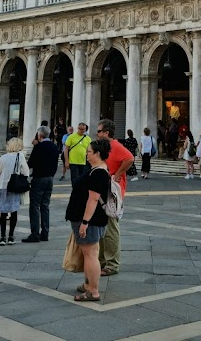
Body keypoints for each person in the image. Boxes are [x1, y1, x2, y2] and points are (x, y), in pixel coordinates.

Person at [65, 138, 111, 302]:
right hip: (93, 218)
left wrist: (84, 222)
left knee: (91, 254)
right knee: (91, 253)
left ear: (97, 154)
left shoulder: (98, 172)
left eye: (89, 152)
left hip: (90, 219)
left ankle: (93, 290)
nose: (86, 154)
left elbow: (93, 199)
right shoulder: (98, 169)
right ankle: (88, 284)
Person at [95, 119, 134, 277]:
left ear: (107, 133)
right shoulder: (103, 147)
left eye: (99, 131)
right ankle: (102, 260)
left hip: (112, 192)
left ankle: (112, 264)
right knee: (101, 227)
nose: (96, 134)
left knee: (110, 228)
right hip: (102, 190)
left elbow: (130, 158)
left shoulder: (115, 146)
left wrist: (117, 175)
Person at [24, 126, 58, 243]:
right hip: (50, 179)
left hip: (39, 178)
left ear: (39, 135)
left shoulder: (38, 147)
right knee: (45, 206)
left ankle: (35, 233)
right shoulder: (54, 147)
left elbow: (30, 163)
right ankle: (45, 233)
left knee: (34, 206)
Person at [0, 137, 30, 245]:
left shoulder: (3, 157)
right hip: (14, 186)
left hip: (2, 186)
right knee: (14, 212)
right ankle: (11, 236)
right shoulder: (20, 156)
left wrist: (1, 179)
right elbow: (26, 172)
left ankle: (2, 237)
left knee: (3, 213)